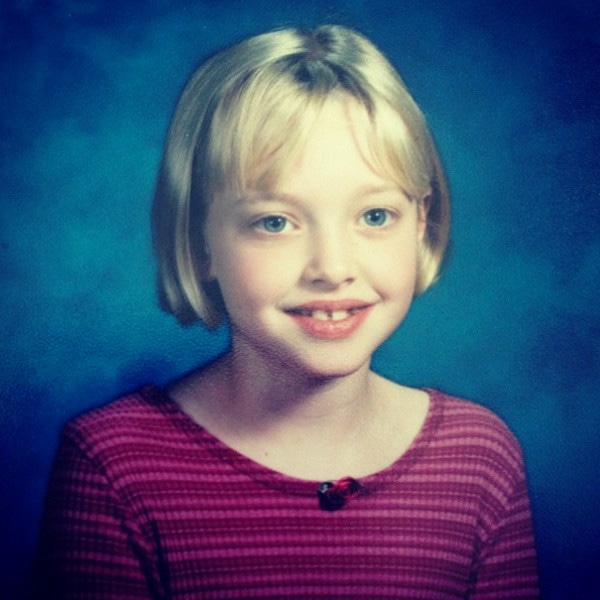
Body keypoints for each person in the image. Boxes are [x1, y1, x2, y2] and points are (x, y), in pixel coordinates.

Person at [34, 25, 539, 599]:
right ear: (201, 243)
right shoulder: (113, 465)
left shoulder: (478, 458)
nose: (332, 267)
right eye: (274, 222)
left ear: (421, 223)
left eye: (374, 216)